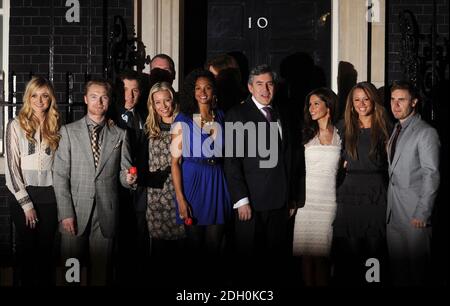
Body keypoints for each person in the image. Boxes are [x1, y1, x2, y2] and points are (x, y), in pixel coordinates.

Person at [53, 80, 135, 286]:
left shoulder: (120, 134)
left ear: (109, 101)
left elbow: (124, 173)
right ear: (85, 99)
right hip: (75, 212)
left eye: (104, 97)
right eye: (94, 96)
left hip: (105, 213)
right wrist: (66, 213)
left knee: (102, 272)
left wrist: (129, 179)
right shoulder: (68, 132)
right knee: (71, 272)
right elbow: (60, 176)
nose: (99, 102)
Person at [224, 65, 295, 285]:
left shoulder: (283, 112)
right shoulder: (237, 114)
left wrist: (292, 196)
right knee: (250, 264)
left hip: (280, 202)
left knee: (276, 263)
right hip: (251, 204)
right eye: (259, 84)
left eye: (269, 84)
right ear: (250, 87)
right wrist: (241, 199)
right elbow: (232, 162)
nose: (265, 89)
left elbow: (290, 158)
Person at [332, 82, 392, 286]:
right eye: (357, 99)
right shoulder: (342, 127)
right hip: (349, 191)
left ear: (374, 101)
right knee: (351, 248)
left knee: (374, 248)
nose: (362, 104)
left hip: (376, 191)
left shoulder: (386, 126)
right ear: (351, 104)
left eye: (366, 99)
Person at [5, 76, 60, 286]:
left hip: (50, 196)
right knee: (27, 250)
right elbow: (12, 169)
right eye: (35, 95)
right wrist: (26, 205)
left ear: (50, 99)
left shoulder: (56, 126)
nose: (39, 100)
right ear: (28, 97)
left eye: (45, 95)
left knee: (46, 251)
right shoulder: (15, 126)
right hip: (23, 195)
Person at [171, 69, 231, 257]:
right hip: (193, 183)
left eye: (207, 88)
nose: (203, 92)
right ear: (192, 91)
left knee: (215, 247)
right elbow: (175, 162)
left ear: (214, 91)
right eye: (198, 88)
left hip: (218, 181)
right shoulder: (183, 119)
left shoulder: (221, 116)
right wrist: (181, 199)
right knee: (195, 249)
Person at [386, 80, 440, 286]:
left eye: (401, 100)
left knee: (417, 274)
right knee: (398, 274)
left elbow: (431, 174)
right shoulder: (396, 129)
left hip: (415, 216)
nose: (395, 105)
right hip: (394, 214)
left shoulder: (426, 132)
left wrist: (423, 212)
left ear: (414, 102)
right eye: (392, 99)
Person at [292, 88, 341, 286]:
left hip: (329, 202)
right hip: (306, 203)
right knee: (306, 255)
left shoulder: (341, 133)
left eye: (316, 104)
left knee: (322, 256)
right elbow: (295, 169)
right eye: (309, 104)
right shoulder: (304, 133)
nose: (311, 108)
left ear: (327, 106)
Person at [111, 70, 150, 285]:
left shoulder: (145, 115)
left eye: (135, 90)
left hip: (142, 190)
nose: (130, 95)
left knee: (140, 240)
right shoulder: (110, 116)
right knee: (119, 244)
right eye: (125, 89)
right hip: (117, 189)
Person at [145, 82, 185, 256]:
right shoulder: (149, 128)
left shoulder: (184, 123)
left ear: (173, 100)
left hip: (180, 190)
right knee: (159, 253)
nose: (163, 106)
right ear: (152, 105)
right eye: (158, 102)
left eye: (166, 100)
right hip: (156, 197)